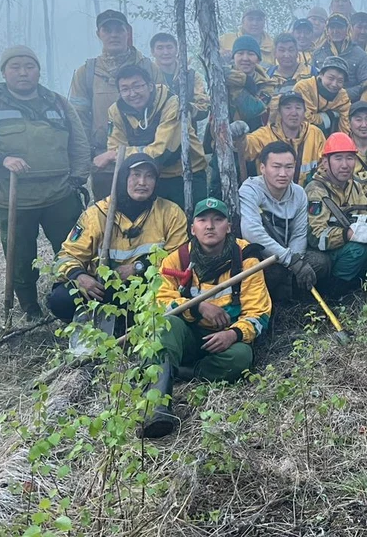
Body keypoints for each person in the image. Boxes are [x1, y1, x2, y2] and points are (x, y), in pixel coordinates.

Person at [0, 45, 90, 321]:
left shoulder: (57, 102)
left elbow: (79, 143)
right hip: (12, 198)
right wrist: (0, 159)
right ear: (4, 72)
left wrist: (77, 178)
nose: (23, 72)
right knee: (20, 258)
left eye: (29, 67)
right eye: (15, 67)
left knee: (75, 252)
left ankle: (73, 303)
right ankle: (30, 309)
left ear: (38, 71)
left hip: (60, 195)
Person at [141, 197, 272, 438]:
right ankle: (156, 408)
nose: (210, 226)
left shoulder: (248, 259)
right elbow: (157, 301)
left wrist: (233, 334)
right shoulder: (176, 259)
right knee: (166, 325)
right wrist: (198, 307)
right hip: (187, 334)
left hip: (224, 341)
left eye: (218, 220)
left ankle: (184, 371)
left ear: (229, 226)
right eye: (202, 220)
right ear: (193, 228)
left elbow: (259, 313)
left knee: (242, 358)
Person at [48, 154, 188, 324]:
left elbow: (179, 258)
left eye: (149, 176)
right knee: (60, 299)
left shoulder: (171, 213)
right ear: (123, 179)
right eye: (136, 175)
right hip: (101, 288)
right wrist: (80, 277)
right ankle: (92, 323)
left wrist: (139, 267)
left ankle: (133, 323)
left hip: (146, 286)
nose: (142, 182)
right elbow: (66, 256)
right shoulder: (97, 214)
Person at [69, 9, 162, 199]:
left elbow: (165, 108)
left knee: (149, 216)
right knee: (108, 217)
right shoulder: (86, 72)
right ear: (98, 34)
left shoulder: (148, 68)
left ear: (128, 32)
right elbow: (78, 121)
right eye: (107, 30)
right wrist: (86, 160)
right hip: (105, 163)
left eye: (119, 30)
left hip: (146, 159)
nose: (114, 35)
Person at [239, 141, 331, 307]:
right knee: (272, 272)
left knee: (321, 262)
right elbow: (251, 233)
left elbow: (299, 233)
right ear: (262, 168)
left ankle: (298, 302)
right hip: (261, 257)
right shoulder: (250, 190)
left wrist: (297, 260)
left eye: (289, 167)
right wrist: (290, 260)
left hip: (289, 254)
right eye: (276, 166)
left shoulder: (298, 193)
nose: (283, 173)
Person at [101, 65, 207, 208]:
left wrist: (118, 155)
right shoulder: (116, 111)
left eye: (137, 86)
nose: (132, 94)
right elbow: (115, 147)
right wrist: (116, 155)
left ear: (150, 86)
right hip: (145, 178)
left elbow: (162, 151)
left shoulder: (173, 104)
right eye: (125, 89)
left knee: (189, 224)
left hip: (185, 174)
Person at [305, 132, 367, 294]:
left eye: (350, 158)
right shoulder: (316, 191)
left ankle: (352, 281)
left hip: (346, 251)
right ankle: (333, 291)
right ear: (325, 162)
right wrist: (347, 234)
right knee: (357, 250)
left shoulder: (354, 186)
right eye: (338, 158)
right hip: (323, 252)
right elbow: (316, 237)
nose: (345, 165)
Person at [240, 92, 326, 186]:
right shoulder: (265, 134)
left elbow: (324, 164)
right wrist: (239, 137)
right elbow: (245, 149)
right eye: (288, 108)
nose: (294, 113)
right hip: (271, 195)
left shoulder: (315, 133)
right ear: (279, 112)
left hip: (306, 194)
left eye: (298, 108)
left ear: (304, 111)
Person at [149, 32, 209, 122]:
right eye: (160, 48)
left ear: (177, 50)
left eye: (169, 47)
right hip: (155, 134)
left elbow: (204, 108)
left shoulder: (191, 76)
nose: (165, 52)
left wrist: (186, 108)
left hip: (187, 132)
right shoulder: (148, 76)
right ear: (153, 52)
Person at [311, 13, 367, 100]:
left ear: (347, 29)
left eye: (340, 27)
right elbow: (312, 81)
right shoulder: (317, 54)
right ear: (327, 30)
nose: (336, 31)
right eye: (332, 28)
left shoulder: (359, 54)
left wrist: (342, 95)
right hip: (321, 102)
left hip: (351, 104)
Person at [223, 35, 272, 132]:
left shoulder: (267, 84)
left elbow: (253, 109)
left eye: (250, 54)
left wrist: (236, 83)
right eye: (240, 53)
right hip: (221, 136)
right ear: (233, 57)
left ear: (258, 59)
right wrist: (244, 80)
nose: (245, 58)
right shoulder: (221, 76)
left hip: (256, 137)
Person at [264, 32, 316, 121]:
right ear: (275, 53)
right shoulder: (266, 76)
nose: (287, 55)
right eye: (282, 50)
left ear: (297, 52)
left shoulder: (312, 73)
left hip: (309, 129)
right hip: (274, 130)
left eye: (291, 50)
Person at [295, 56, 351, 136]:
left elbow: (346, 124)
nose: (334, 84)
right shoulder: (303, 87)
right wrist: (329, 116)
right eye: (331, 78)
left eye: (340, 81)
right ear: (321, 75)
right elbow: (305, 119)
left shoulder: (342, 96)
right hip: (300, 132)